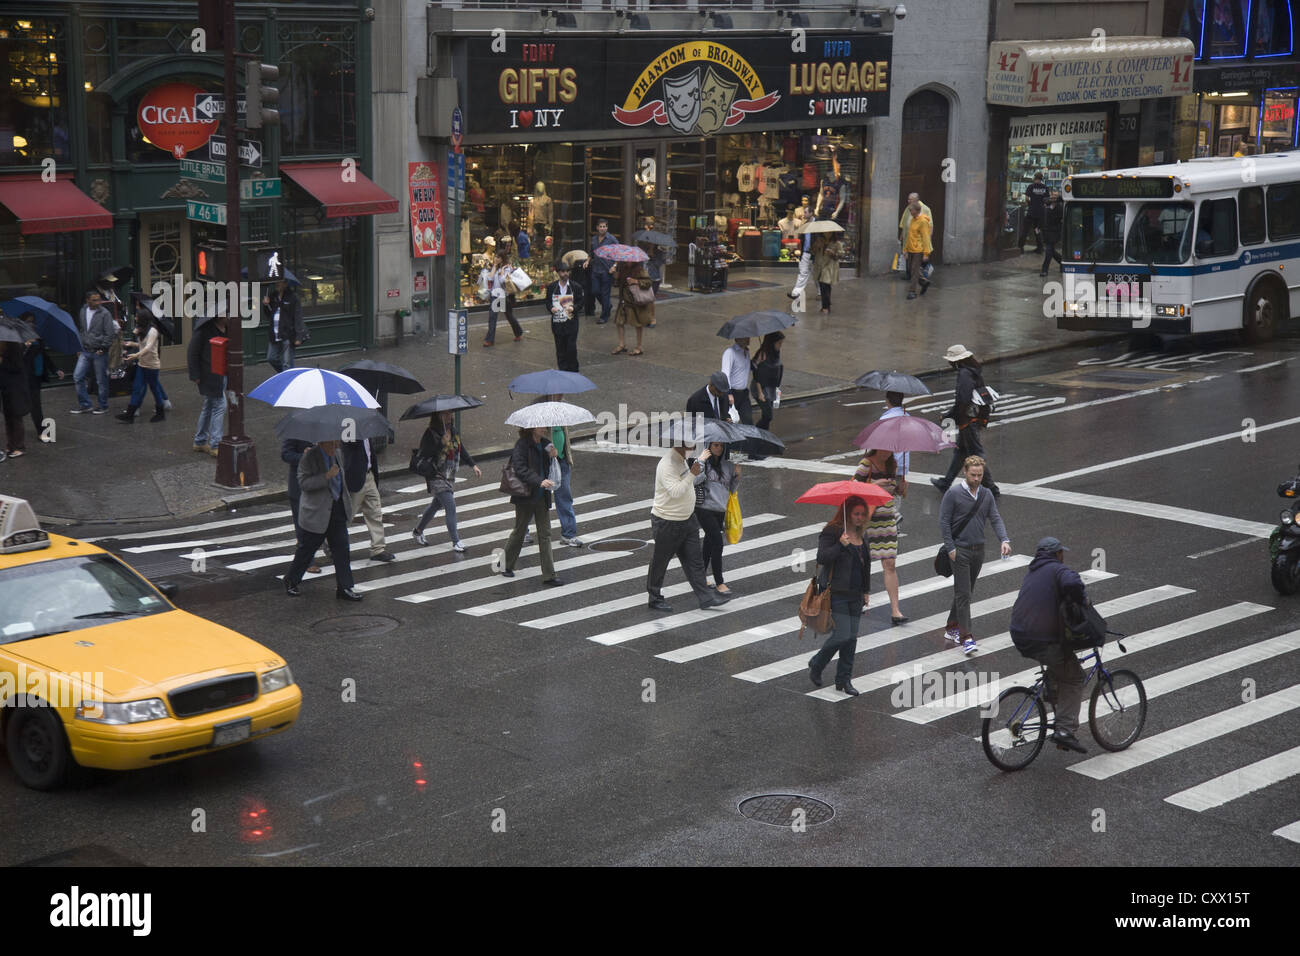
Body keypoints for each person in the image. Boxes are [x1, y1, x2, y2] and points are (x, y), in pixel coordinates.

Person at [1010, 536, 1089, 754]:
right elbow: (1073, 582)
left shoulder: (1033, 571)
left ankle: (1051, 692)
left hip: (1019, 634)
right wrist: (1083, 600)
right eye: (1062, 553)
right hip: (1041, 638)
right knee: (1074, 677)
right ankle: (1064, 731)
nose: (1063, 556)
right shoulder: (1056, 569)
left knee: (1059, 664)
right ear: (1057, 554)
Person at [939, 456, 1012, 656]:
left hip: (978, 551)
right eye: (974, 475)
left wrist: (1004, 540)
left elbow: (995, 518)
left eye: (980, 475)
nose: (977, 479)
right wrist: (951, 548)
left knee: (966, 592)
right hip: (960, 551)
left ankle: (951, 627)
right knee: (963, 594)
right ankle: (967, 637)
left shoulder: (986, 494)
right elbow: (944, 522)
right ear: (965, 472)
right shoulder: (953, 493)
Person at [646, 440, 730, 612]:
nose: (694, 448)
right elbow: (676, 492)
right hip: (667, 521)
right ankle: (654, 597)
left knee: (695, 561)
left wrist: (696, 470)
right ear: (680, 445)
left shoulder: (681, 458)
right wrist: (693, 473)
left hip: (687, 520)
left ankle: (706, 597)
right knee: (661, 561)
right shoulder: (667, 464)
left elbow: (688, 482)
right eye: (691, 445)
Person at [807, 496, 873, 695]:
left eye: (863, 514)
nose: (860, 518)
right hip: (836, 592)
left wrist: (866, 591)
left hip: (855, 594)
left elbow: (866, 565)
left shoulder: (862, 534)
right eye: (856, 514)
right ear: (847, 513)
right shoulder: (832, 531)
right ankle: (817, 663)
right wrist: (840, 545)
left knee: (851, 639)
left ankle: (844, 680)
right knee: (843, 634)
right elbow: (822, 557)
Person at [284, 439, 361, 600]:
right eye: (332, 444)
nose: (336, 447)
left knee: (341, 549)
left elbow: (342, 481)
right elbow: (303, 483)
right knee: (307, 549)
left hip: (336, 509)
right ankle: (291, 580)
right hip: (317, 512)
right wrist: (326, 476)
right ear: (322, 443)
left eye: (336, 443)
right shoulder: (309, 457)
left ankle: (344, 587)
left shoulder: (338, 454)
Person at [932, 344, 1001, 496]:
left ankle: (991, 488)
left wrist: (948, 415)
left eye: (951, 360)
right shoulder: (973, 370)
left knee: (976, 454)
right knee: (961, 451)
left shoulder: (964, 374)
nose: (949, 364)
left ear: (957, 360)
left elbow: (963, 399)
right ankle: (946, 482)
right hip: (974, 417)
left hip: (968, 419)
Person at [501, 426, 563, 585]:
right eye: (541, 427)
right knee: (519, 531)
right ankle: (505, 564)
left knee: (545, 534)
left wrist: (554, 456)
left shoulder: (546, 443)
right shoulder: (522, 445)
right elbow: (520, 469)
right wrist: (539, 481)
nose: (545, 429)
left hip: (542, 497)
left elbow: (551, 467)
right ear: (532, 428)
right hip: (526, 496)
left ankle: (549, 575)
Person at [412, 410, 481, 551]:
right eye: (445, 414)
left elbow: (461, 449)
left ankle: (417, 531)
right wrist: (440, 443)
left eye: (450, 414)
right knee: (451, 506)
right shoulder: (431, 433)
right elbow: (423, 454)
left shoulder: (452, 430)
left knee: (436, 505)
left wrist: (473, 465)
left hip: (449, 475)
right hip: (436, 476)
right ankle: (456, 542)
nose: (449, 416)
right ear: (438, 416)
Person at [854, 447, 907, 624]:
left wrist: (901, 488)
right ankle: (859, 598)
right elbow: (853, 487)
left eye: (891, 449)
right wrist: (873, 486)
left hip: (887, 520)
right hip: (867, 519)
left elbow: (894, 492)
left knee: (890, 563)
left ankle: (895, 610)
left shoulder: (892, 465)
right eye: (884, 449)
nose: (887, 452)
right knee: (861, 561)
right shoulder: (866, 465)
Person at [694, 441, 740, 593]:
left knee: (709, 543)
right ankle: (720, 582)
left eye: (721, 445)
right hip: (704, 508)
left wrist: (737, 476)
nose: (718, 448)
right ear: (709, 446)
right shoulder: (702, 463)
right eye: (715, 445)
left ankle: (699, 576)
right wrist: (701, 461)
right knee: (717, 543)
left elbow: (731, 489)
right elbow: (695, 480)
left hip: (720, 509)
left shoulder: (728, 466)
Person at [343, 437, 395, 563]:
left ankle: (378, 549)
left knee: (375, 512)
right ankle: (330, 541)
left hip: (369, 475)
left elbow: (370, 453)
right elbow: (349, 445)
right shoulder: (350, 426)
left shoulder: (366, 429)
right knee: (348, 515)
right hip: (356, 478)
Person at [186, 316, 228, 457]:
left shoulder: (228, 329)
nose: (229, 316)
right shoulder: (204, 330)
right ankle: (216, 444)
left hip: (222, 374)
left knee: (209, 406)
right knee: (220, 406)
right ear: (219, 315)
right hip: (209, 374)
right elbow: (192, 352)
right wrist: (195, 375)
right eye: (226, 313)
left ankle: (200, 441)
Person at [545, 395, 582, 547]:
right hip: (544, 462)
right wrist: (547, 448)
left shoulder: (562, 408)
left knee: (565, 497)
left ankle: (568, 534)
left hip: (561, 461)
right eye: (558, 392)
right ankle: (523, 531)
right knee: (535, 499)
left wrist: (566, 456)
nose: (562, 395)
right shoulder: (540, 409)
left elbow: (563, 436)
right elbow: (534, 437)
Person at [19, 313, 63, 440]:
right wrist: (25, 346)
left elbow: (45, 356)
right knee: (20, 406)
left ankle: (41, 432)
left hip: (35, 376)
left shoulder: (38, 338)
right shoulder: (19, 339)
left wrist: (55, 370)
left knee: (35, 405)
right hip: (23, 377)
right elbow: (15, 359)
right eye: (28, 321)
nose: (31, 324)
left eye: (33, 321)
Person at [117, 313, 168, 423]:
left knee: (154, 388)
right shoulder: (141, 330)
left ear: (143, 319)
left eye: (137, 318)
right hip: (142, 364)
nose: (135, 319)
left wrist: (136, 355)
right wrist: (132, 343)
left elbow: (149, 347)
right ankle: (130, 415)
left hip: (152, 366)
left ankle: (160, 413)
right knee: (136, 387)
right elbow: (142, 345)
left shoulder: (153, 331)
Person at [71, 290, 115, 414]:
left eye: (99, 299)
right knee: (77, 376)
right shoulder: (83, 311)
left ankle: (103, 405)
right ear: (88, 300)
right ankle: (85, 404)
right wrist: (79, 346)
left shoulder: (105, 313)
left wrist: (103, 348)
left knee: (101, 380)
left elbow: (109, 333)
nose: (98, 302)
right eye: (94, 300)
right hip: (85, 350)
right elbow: (82, 330)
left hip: (98, 351)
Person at [281, 437, 321, 575]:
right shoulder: (295, 432)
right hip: (300, 485)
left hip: (319, 484)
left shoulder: (325, 429)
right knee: (303, 525)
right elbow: (286, 454)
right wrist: (304, 456)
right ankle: (308, 560)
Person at [721, 335, 755, 456]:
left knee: (748, 420)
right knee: (730, 422)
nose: (748, 338)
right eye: (745, 337)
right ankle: (725, 450)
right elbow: (725, 374)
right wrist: (728, 393)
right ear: (737, 339)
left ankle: (752, 451)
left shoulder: (746, 352)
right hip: (732, 393)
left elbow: (745, 370)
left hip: (743, 393)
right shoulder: (729, 353)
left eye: (748, 336)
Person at [546, 261, 583, 372]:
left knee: (571, 347)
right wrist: (551, 308)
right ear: (558, 273)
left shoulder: (575, 287)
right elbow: (548, 302)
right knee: (560, 348)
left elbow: (581, 302)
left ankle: (573, 370)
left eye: (567, 271)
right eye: (563, 271)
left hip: (571, 322)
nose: (565, 274)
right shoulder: (552, 287)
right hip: (557, 322)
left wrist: (574, 308)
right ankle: (563, 369)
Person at [264, 278, 305, 373]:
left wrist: (299, 336)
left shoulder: (293, 297)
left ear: (286, 283)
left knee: (287, 363)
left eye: (279, 282)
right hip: (274, 334)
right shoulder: (273, 296)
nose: (277, 284)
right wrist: (266, 305)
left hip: (287, 334)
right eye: (276, 281)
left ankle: (288, 379)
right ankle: (284, 375)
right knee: (271, 358)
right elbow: (268, 314)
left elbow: (298, 317)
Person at [483, 250, 523, 346]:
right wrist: (495, 266)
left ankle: (518, 333)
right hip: (495, 296)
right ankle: (490, 340)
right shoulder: (495, 267)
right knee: (492, 318)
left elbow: (502, 281)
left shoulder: (507, 268)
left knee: (509, 316)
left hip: (503, 296)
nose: (496, 259)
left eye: (498, 257)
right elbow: (490, 279)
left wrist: (502, 271)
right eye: (495, 257)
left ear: (502, 258)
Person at [612, 260, 651, 356]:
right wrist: (615, 275)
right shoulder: (623, 268)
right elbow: (618, 282)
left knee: (638, 324)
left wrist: (636, 281)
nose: (627, 261)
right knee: (619, 321)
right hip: (624, 300)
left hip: (635, 301)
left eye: (629, 260)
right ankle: (622, 344)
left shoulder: (640, 270)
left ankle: (639, 347)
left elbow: (648, 282)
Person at [750, 331, 783, 432]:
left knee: (766, 416)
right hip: (761, 389)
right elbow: (757, 374)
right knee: (768, 415)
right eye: (779, 343)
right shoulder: (763, 354)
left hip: (771, 388)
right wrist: (760, 393)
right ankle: (755, 433)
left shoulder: (775, 353)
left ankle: (764, 436)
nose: (780, 346)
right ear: (772, 343)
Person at [0, 341, 29, 458]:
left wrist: (2, 362)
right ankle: (10, 445)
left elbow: (17, 367)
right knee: (8, 416)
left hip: (15, 387)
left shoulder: (14, 345)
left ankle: (19, 446)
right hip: (5, 386)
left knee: (15, 416)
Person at [898, 192, 932, 281]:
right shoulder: (908, 208)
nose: (908, 201)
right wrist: (901, 237)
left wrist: (928, 242)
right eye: (908, 199)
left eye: (910, 199)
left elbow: (930, 226)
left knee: (915, 265)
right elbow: (904, 223)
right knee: (909, 262)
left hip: (918, 243)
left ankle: (915, 285)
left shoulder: (925, 209)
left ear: (916, 200)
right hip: (908, 240)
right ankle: (914, 277)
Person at [590, 218, 619, 324]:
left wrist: (614, 266)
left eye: (604, 226)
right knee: (595, 291)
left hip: (607, 270)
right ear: (597, 227)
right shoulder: (594, 239)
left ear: (607, 227)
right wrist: (588, 260)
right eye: (601, 226)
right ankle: (608, 306)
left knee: (605, 293)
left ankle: (604, 316)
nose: (603, 228)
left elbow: (618, 253)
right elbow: (592, 252)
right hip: (595, 269)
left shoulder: (611, 239)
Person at [903, 198, 933, 300]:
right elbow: (910, 235)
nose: (910, 212)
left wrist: (926, 253)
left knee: (914, 271)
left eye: (911, 210)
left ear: (916, 210)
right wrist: (906, 249)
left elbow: (926, 237)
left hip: (918, 250)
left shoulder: (923, 222)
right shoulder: (913, 220)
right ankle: (924, 282)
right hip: (911, 248)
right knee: (912, 270)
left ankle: (912, 291)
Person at [787, 214, 816, 303]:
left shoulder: (817, 224)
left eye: (806, 212)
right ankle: (795, 293)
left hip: (815, 254)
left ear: (811, 213)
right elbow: (802, 239)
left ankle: (820, 293)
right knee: (802, 273)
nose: (804, 214)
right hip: (805, 253)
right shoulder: (805, 225)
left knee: (817, 275)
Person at [1019, 171, 1050, 254]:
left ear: (1034, 178)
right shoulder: (1045, 187)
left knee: (1025, 230)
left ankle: (1020, 247)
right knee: (1037, 229)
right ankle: (1040, 248)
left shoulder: (1031, 186)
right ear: (1041, 179)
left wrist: (1030, 204)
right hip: (1040, 213)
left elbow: (1026, 198)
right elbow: (1047, 200)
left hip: (1031, 212)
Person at [813, 233, 843, 313]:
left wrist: (833, 253)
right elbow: (812, 251)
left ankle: (825, 307)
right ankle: (827, 304)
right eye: (826, 232)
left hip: (829, 266)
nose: (827, 234)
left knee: (825, 285)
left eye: (829, 232)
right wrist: (816, 247)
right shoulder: (819, 241)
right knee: (823, 285)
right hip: (820, 265)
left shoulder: (837, 243)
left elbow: (840, 255)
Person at [1040, 189, 1063, 277]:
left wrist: (1057, 200)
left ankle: (1044, 269)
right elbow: (1044, 199)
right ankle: (1062, 262)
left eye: (1056, 196)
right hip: (1046, 231)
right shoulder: (1047, 205)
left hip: (1054, 232)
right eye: (1053, 195)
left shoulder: (1060, 207)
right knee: (1051, 251)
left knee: (1049, 250)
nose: (1054, 197)